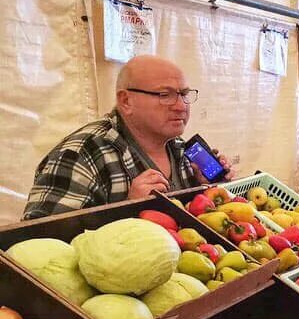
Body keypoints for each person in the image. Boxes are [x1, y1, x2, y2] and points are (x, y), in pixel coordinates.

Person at [23, 55, 233, 219]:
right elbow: (40, 245)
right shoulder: (79, 156)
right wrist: (126, 210)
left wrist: (204, 188)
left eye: (184, 94)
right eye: (165, 95)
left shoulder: (180, 149)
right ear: (126, 101)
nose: (180, 106)